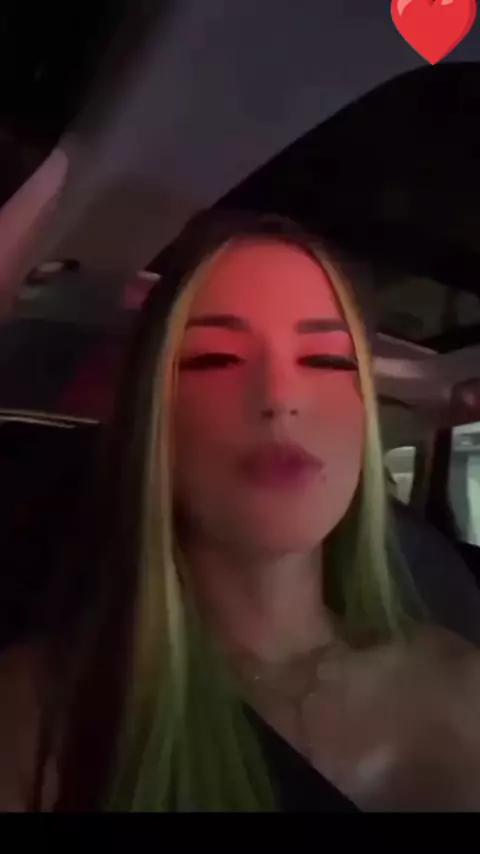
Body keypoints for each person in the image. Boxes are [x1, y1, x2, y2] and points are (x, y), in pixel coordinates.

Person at [3, 212, 480, 812]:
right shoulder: (36, 717)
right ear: (156, 420)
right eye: (215, 359)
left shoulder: (465, 680)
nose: (280, 398)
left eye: (327, 361)